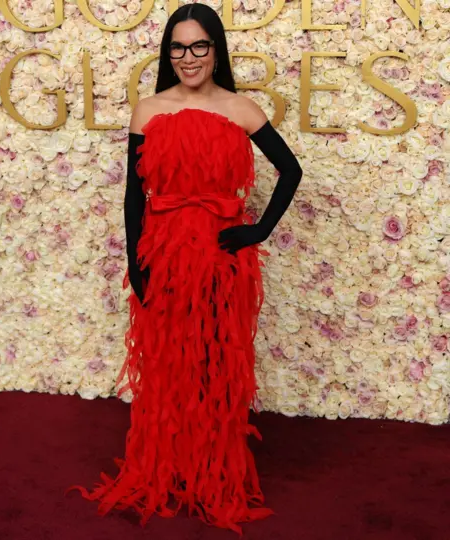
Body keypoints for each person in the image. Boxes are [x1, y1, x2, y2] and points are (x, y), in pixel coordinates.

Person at [66, 2, 303, 536]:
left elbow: (290, 170)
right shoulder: (148, 110)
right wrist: (135, 262)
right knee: (170, 366)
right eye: (178, 46)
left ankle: (212, 479)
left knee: (216, 365)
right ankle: (167, 471)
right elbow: (133, 197)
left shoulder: (241, 109)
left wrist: (257, 231)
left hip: (222, 259)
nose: (188, 57)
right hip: (165, 254)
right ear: (166, 52)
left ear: (216, 50)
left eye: (199, 46)